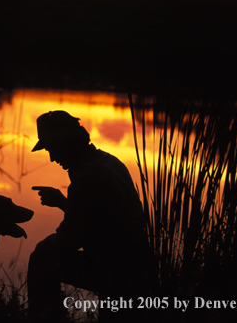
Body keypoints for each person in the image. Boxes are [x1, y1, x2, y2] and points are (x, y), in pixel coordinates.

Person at [27, 111, 152, 322]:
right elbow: (98, 220)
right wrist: (62, 202)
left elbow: (69, 240)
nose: (52, 158)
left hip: (116, 269)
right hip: (137, 263)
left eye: (52, 149)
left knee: (43, 257)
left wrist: (47, 245)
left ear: (67, 144)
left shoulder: (86, 179)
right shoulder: (109, 161)